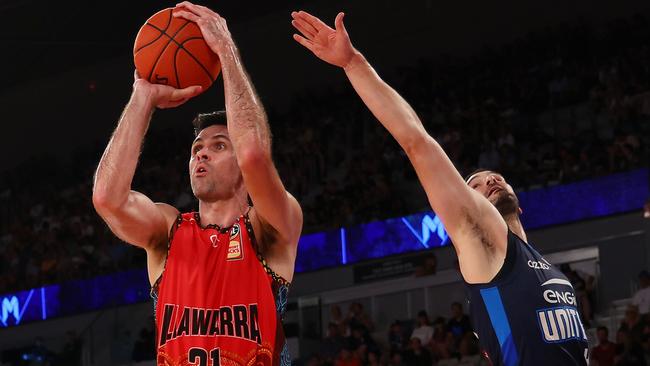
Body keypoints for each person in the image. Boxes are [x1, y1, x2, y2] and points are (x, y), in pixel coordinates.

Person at [291, 10, 588, 365]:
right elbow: (417, 142)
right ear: (466, 207)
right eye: (475, 184)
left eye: (496, 177)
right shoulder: (484, 241)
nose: (490, 179)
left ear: (520, 205)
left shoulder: (544, 266)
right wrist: (354, 63)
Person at [92, 2, 302, 365]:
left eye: (219, 146)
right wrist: (142, 98)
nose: (201, 155)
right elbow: (107, 198)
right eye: (196, 148)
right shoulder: (168, 232)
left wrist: (226, 52)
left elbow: (253, 154)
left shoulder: (269, 227)